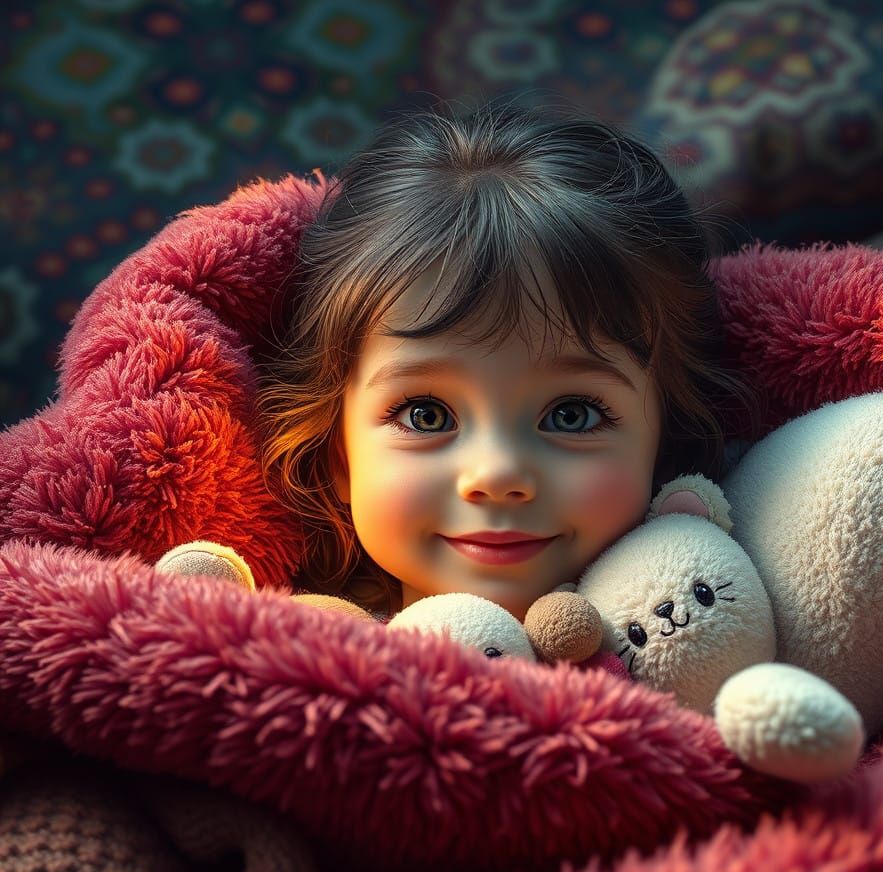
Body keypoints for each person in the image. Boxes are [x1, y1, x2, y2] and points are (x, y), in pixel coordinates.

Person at [258, 100, 755, 622]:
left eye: (572, 414)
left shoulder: (725, 654)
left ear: (664, 444)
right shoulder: (276, 662)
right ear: (339, 453)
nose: (496, 473)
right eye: (425, 415)